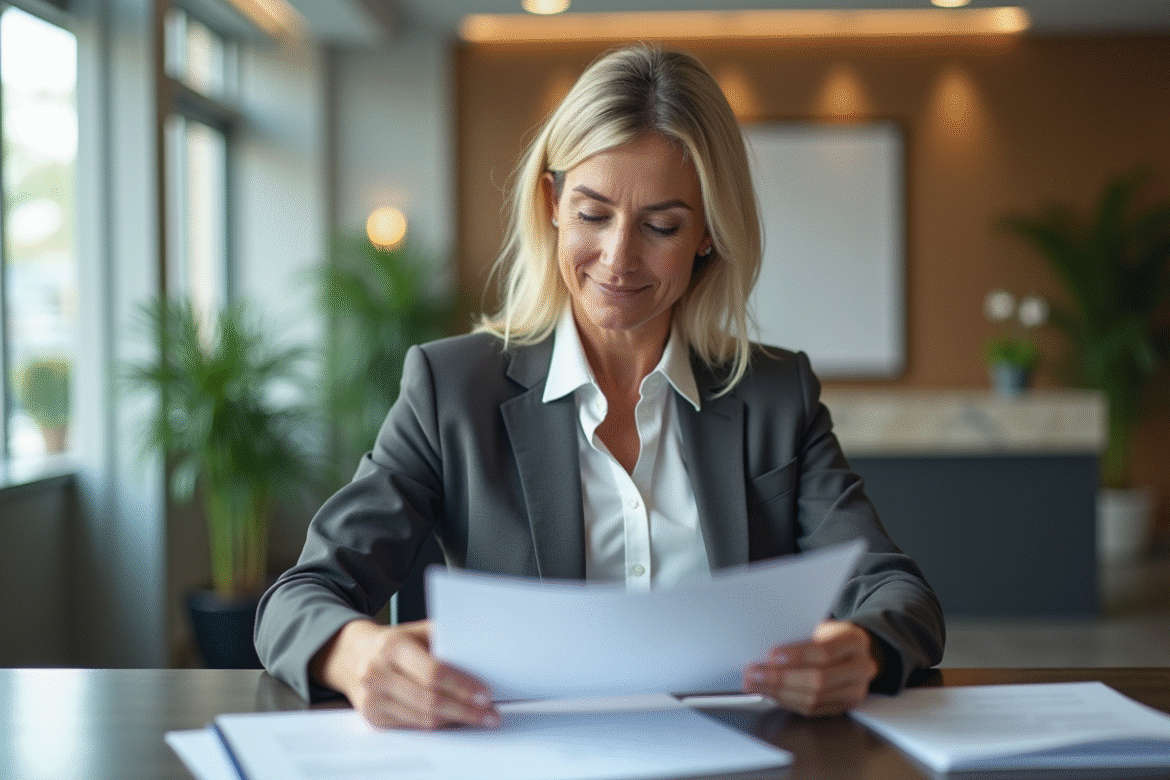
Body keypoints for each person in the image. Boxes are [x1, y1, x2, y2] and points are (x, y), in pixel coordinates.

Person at [255, 43, 945, 730]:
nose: (618, 258)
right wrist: (356, 655)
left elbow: (898, 594)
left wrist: (861, 650)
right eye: (592, 215)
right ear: (552, 202)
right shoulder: (452, 389)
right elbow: (300, 596)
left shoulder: (775, 395)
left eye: (662, 226)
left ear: (708, 232)